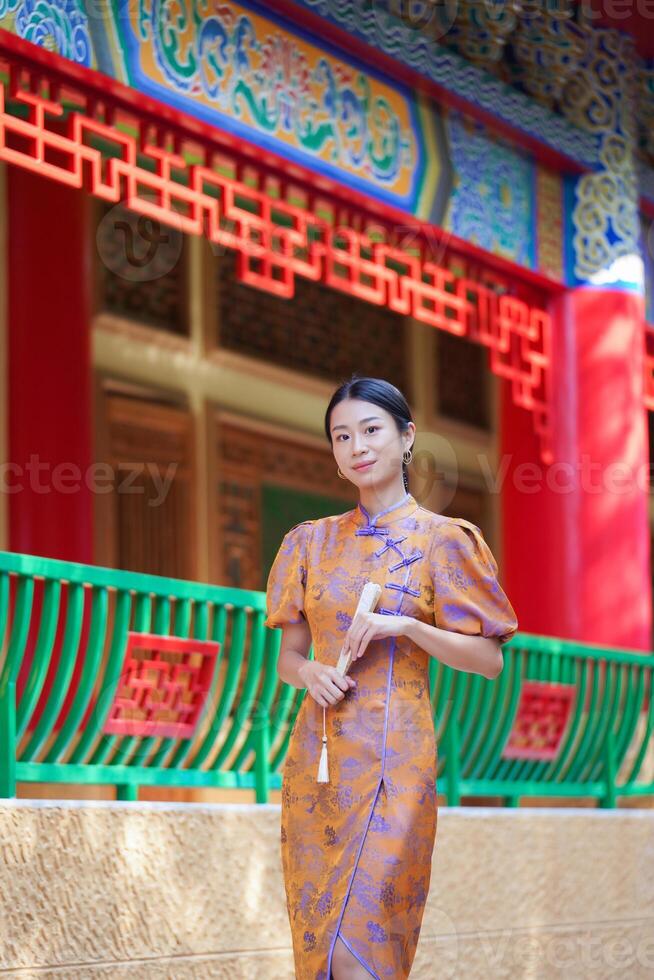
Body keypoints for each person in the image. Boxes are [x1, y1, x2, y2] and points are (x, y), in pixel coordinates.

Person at [265, 375, 518, 980]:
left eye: (371, 430)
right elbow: (288, 660)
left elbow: (488, 660)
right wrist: (312, 674)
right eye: (341, 436)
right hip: (319, 760)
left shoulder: (445, 542)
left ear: (407, 438)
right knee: (322, 955)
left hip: (396, 763)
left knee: (364, 952)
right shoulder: (308, 544)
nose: (357, 447)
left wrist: (405, 626)